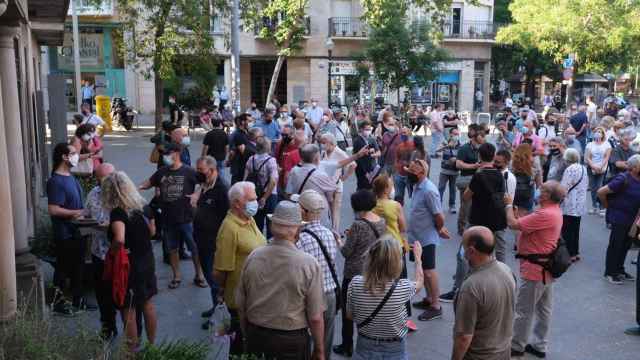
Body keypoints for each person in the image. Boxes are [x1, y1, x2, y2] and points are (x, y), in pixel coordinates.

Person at [236, 200, 325, 360]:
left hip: (256, 335)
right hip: (291, 341)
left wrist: (246, 336)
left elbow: (241, 305)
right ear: (297, 229)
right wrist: (319, 350)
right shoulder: (308, 264)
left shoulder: (253, 257)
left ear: (272, 226)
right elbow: (315, 317)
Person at [505, 181, 566, 358]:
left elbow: (512, 224)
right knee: (543, 309)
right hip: (544, 268)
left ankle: (517, 345)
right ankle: (540, 345)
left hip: (535, 269)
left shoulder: (544, 214)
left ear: (547, 195)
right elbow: (524, 227)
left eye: (543, 189)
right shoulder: (553, 211)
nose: (539, 190)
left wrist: (508, 204)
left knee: (524, 309)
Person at [102, 171, 158, 352]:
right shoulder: (143, 206)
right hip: (147, 260)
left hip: (130, 266)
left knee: (129, 309)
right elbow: (152, 232)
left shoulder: (118, 213)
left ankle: (131, 352)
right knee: (148, 303)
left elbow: (119, 239)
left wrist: (112, 251)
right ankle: (152, 347)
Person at [139, 144, 206, 290]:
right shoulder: (162, 171)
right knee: (172, 248)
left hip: (186, 218)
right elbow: (149, 183)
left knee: (194, 248)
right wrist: (137, 188)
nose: (165, 157)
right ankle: (176, 276)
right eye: (164, 154)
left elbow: (205, 183)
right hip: (168, 218)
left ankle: (199, 275)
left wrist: (197, 194)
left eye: (167, 154)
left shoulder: (189, 171)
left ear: (177, 153)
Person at [347, 236, 424, 360]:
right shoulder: (403, 287)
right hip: (395, 349)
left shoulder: (355, 283)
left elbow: (350, 316)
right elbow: (419, 282)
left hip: (364, 346)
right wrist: (418, 259)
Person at [214, 181, 266, 355]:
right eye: (251, 199)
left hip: (255, 296)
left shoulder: (248, 219)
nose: (256, 202)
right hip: (239, 301)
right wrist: (223, 290)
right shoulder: (229, 228)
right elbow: (220, 270)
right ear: (237, 203)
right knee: (240, 345)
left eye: (256, 198)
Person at [333, 190, 387, 357]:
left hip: (354, 273)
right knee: (369, 309)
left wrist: (339, 241)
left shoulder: (358, 225)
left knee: (348, 311)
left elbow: (347, 252)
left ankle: (347, 344)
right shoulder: (381, 221)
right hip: (372, 271)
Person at [451, 226, 516, 360]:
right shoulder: (506, 270)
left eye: (463, 245)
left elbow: (464, 337)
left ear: (471, 251)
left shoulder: (471, 287)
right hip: (503, 352)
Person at [46, 143, 90, 316]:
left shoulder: (70, 176)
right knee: (63, 268)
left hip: (78, 230)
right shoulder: (55, 181)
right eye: (73, 153)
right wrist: (77, 212)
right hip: (65, 233)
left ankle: (79, 300)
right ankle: (58, 303)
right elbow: (53, 209)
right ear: (64, 157)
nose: (76, 156)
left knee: (79, 267)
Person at [296, 190, 340, 359]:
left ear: (303, 211)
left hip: (310, 297)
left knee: (307, 339)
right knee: (325, 341)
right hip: (330, 294)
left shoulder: (300, 239)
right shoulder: (329, 234)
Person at [406, 160, 450, 321]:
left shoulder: (429, 190)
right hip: (416, 236)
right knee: (422, 269)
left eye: (412, 171)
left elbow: (439, 215)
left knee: (429, 272)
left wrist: (439, 229)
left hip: (426, 237)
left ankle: (436, 305)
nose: (409, 173)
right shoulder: (417, 185)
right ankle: (429, 298)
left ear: (422, 173)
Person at [193, 156, 230, 330]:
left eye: (201, 170)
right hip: (201, 238)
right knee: (209, 277)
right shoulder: (205, 185)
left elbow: (226, 218)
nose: (198, 173)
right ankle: (214, 306)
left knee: (214, 280)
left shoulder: (222, 190)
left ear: (213, 170)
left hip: (213, 242)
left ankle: (217, 315)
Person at [83, 163, 117, 338]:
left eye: (107, 179)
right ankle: (108, 327)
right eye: (100, 179)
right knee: (103, 294)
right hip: (99, 253)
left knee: (121, 294)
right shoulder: (93, 194)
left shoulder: (123, 194)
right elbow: (86, 215)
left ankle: (131, 332)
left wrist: (111, 227)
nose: (103, 182)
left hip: (119, 254)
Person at [598, 155, 640, 284]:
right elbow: (601, 192)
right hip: (619, 218)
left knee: (625, 245)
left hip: (632, 219)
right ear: (633, 167)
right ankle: (610, 272)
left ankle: (620, 270)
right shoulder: (623, 178)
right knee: (616, 245)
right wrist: (608, 207)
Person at [463, 142, 508, 262]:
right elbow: (503, 195)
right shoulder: (500, 175)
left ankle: (466, 274)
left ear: (479, 156)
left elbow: (466, 196)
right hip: (497, 218)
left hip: (478, 217)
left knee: (467, 246)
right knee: (499, 249)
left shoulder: (478, 175)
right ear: (493, 156)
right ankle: (502, 273)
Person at [285, 144, 338, 228]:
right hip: (318, 215)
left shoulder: (294, 171)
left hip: (300, 212)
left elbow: (288, 193)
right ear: (316, 158)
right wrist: (333, 219)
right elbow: (332, 197)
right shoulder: (320, 174)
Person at [320, 133, 356, 231]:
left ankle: (335, 232)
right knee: (329, 210)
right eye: (321, 142)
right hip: (326, 186)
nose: (322, 145)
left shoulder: (339, 152)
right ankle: (332, 230)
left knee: (335, 211)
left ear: (331, 143)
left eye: (324, 142)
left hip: (336, 186)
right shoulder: (324, 153)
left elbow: (353, 164)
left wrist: (345, 177)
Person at [244, 136, 278, 238]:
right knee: (270, 224)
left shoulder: (251, 159)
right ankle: (269, 246)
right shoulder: (271, 161)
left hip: (255, 194)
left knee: (257, 224)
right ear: (268, 147)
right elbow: (273, 181)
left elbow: (245, 179)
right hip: (269, 195)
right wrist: (265, 197)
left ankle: (257, 245)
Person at [455, 124, 485, 234]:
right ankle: (462, 228)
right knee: (466, 205)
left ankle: (473, 226)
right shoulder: (464, 148)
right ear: (474, 138)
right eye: (481, 137)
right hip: (466, 180)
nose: (483, 139)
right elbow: (458, 164)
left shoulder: (482, 148)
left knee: (477, 205)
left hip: (479, 180)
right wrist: (474, 166)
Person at [560, 148, 588, 262]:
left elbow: (564, 187)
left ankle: (569, 254)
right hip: (580, 203)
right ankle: (575, 252)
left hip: (570, 203)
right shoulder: (583, 168)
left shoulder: (570, 169)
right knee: (575, 229)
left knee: (567, 229)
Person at [585, 127, 612, 216]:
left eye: (600, 132)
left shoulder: (607, 144)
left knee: (600, 187)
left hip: (602, 168)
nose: (598, 133)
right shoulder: (589, 144)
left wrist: (600, 166)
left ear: (603, 134)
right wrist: (593, 166)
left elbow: (606, 157)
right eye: (596, 131)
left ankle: (601, 206)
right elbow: (587, 157)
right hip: (591, 168)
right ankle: (594, 206)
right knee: (593, 188)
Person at [352, 120, 381, 190]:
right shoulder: (357, 141)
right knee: (362, 188)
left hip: (373, 168)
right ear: (361, 129)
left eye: (369, 129)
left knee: (373, 188)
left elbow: (379, 152)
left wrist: (372, 155)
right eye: (366, 129)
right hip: (361, 170)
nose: (368, 131)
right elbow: (358, 157)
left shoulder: (372, 139)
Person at [438, 127, 461, 213]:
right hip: (444, 170)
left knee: (453, 189)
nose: (456, 136)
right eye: (454, 134)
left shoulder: (460, 144)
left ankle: (452, 206)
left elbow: (462, 157)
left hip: (455, 171)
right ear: (450, 134)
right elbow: (437, 151)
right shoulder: (445, 142)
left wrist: (456, 159)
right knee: (441, 188)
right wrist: (447, 146)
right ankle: (438, 205)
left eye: (457, 134)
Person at [393, 127, 416, 204]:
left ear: (409, 133)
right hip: (399, 175)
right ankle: (398, 214)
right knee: (398, 197)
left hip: (410, 175)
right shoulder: (399, 146)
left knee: (414, 197)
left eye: (405, 132)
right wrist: (397, 169)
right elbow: (396, 159)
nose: (403, 134)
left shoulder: (413, 145)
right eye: (401, 133)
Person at [228, 113, 253, 184]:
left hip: (243, 164)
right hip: (239, 165)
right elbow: (243, 151)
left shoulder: (246, 132)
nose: (251, 123)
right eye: (249, 121)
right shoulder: (239, 134)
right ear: (243, 122)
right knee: (237, 184)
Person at [512, 144, 536, 215]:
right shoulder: (533, 164)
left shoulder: (512, 163)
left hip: (514, 194)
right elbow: (539, 184)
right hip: (527, 199)